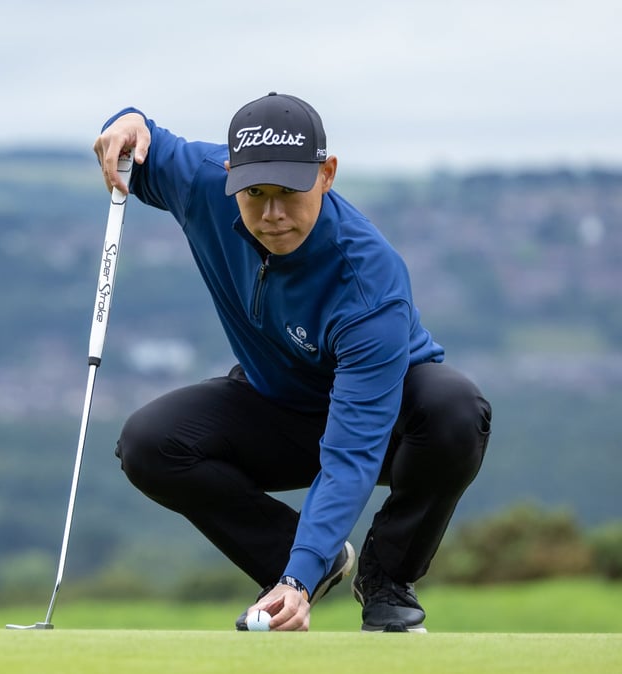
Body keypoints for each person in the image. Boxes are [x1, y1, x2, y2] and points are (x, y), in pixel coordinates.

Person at [92, 92, 492, 632]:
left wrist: (296, 578)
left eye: (290, 192)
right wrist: (124, 120)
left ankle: (385, 576)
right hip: (277, 405)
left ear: (326, 175)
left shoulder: (370, 284)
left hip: (389, 418)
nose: (273, 214)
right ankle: (305, 563)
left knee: (454, 408)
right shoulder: (205, 184)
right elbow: (141, 144)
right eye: (255, 193)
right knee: (150, 443)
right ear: (230, 174)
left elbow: (351, 452)